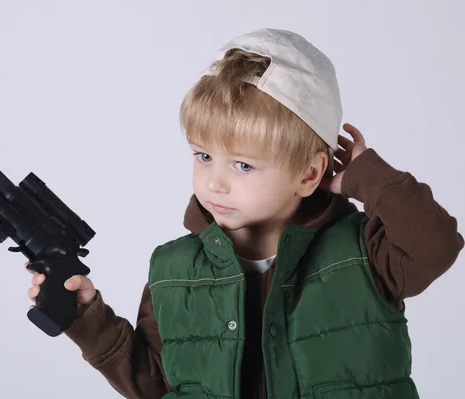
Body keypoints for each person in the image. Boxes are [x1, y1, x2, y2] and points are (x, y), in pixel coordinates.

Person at [26, 28, 464, 398]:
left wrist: (368, 177)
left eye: (243, 165)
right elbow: (158, 382)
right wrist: (90, 321)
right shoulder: (173, 270)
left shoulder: (365, 252)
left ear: (309, 174)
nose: (215, 182)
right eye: (203, 156)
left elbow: (436, 245)